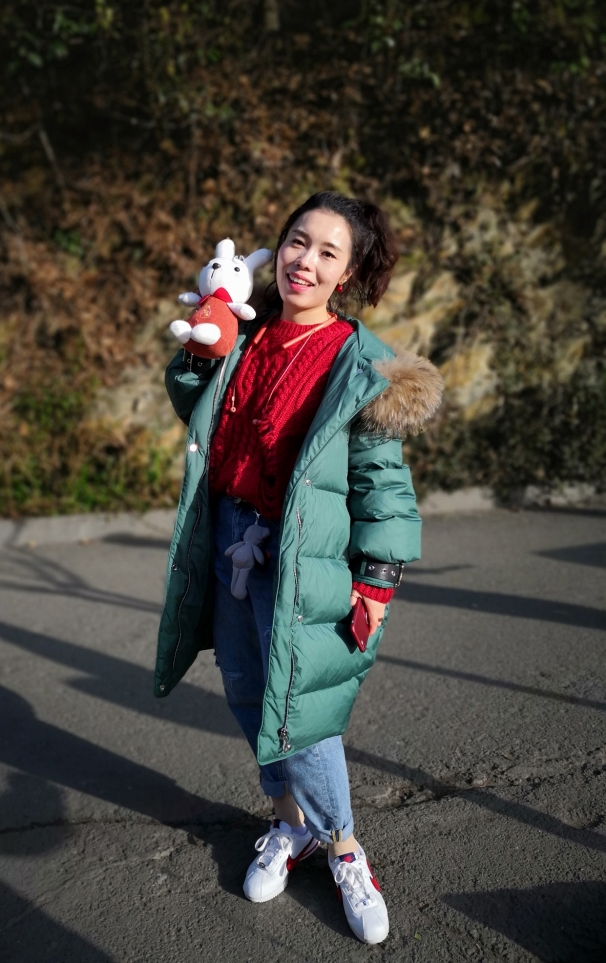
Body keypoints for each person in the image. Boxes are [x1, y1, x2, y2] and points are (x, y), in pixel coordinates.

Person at [154, 191, 443, 944]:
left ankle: (345, 848)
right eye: (296, 241)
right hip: (231, 540)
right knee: (248, 692)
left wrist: (378, 580)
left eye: (327, 252)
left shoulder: (358, 362)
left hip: (303, 556)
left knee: (303, 715)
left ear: (347, 274)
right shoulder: (243, 334)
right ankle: (291, 825)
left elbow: (383, 482)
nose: (304, 261)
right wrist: (200, 354)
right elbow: (194, 404)